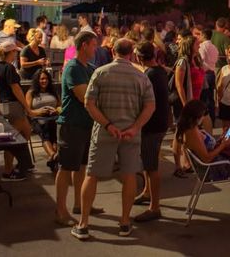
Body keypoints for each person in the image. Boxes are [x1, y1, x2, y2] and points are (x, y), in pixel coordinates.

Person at [72, 38, 156, 240]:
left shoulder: (100, 73)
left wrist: (108, 124)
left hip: (104, 132)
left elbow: (89, 103)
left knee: (91, 175)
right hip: (130, 133)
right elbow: (150, 106)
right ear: (131, 54)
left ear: (113, 51)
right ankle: (125, 222)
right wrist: (135, 127)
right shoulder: (141, 76)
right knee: (128, 176)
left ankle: (83, 224)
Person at [55, 31, 101, 227]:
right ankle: (60, 210)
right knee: (66, 167)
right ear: (84, 46)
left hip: (86, 125)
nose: (95, 49)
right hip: (71, 124)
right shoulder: (73, 68)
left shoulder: (89, 68)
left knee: (82, 166)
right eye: (93, 45)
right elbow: (85, 97)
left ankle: (79, 204)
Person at [132, 41, 168, 222]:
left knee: (152, 165)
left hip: (152, 125)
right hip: (160, 123)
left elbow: (144, 101)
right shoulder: (159, 71)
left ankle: (155, 207)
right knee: (148, 162)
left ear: (139, 57)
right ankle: (147, 192)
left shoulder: (149, 75)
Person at [0, 42, 34, 180]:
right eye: (15, 52)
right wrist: (27, 107)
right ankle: (8, 170)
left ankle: (24, 164)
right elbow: (15, 89)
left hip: (6, 105)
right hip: (13, 105)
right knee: (13, 138)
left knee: (26, 131)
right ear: (10, 53)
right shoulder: (9, 68)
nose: (16, 54)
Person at [26, 68, 60, 171]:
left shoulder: (53, 91)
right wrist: (39, 111)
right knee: (46, 129)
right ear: (37, 80)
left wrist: (56, 110)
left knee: (55, 127)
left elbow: (60, 106)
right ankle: (54, 155)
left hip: (53, 117)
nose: (44, 81)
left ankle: (52, 158)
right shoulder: (31, 93)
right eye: (41, 79)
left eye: (46, 79)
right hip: (37, 119)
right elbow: (27, 111)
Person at [198, 28, 219, 121]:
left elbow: (201, 59)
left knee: (203, 98)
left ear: (203, 35)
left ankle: (205, 120)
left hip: (205, 73)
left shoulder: (202, 46)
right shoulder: (214, 47)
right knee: (211, 98)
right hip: (212, 72)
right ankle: (212, 118)